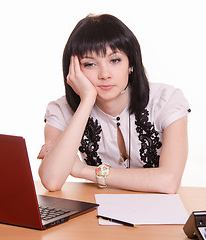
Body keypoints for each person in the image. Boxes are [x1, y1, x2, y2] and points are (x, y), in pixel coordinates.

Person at [37, 14, 190, 194]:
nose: (105, 74)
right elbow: (52, 181)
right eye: (90, 64)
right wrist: (87, 100)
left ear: (130, 63)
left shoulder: (166, 101)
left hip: (159, 215)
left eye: (114, 60)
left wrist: (82, 170)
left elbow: (168, 182)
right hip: (96, 212)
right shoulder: (61, 110)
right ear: (73, 69)